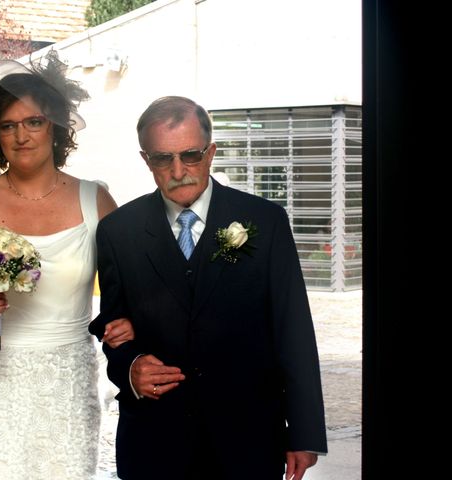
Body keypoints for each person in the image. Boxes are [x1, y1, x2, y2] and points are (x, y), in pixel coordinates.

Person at [89, 96, 327, 480]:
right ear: (146, 160)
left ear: (211, 152)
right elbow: (114, 328)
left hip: (248, 438)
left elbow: (293, 331)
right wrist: (130, 366)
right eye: (163, 158)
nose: (179, 170)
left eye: (191, 155)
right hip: (154, 439)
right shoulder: (119, 230)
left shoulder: (265, 221)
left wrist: (304, 432)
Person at [0, 50, 133, 479]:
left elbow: (131, 289)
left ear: (54, 127)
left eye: (33, 122)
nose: (22, 135)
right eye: (8, 126)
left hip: (66, 386)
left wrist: (127, 323)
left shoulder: (97, 202)